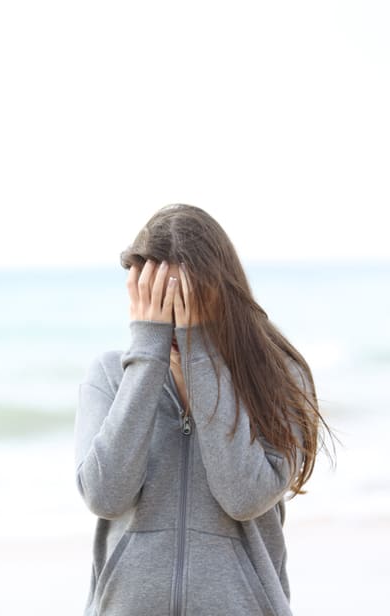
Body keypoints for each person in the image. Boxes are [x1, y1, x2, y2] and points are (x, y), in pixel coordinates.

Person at [74, 204, 331, 615]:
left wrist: (200, 353)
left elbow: (244, 497)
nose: (173, 318)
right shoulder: (110, 377)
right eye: (159, 297)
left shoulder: (280, 377)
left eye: (185, 299)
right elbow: (105, 496)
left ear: (221, 293)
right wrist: (148, 350)